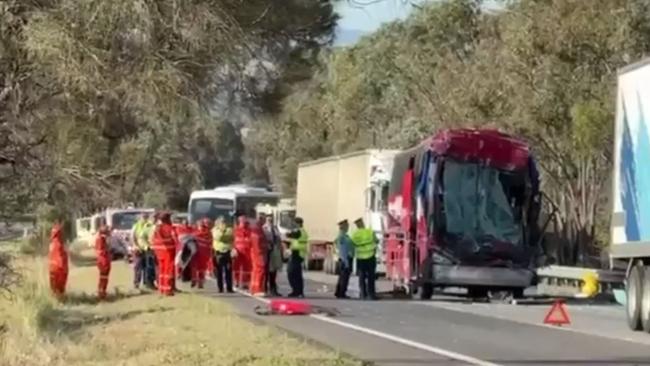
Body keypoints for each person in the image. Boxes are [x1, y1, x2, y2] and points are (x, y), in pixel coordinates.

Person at [351, 218, 379, 300]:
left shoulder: (355, 235)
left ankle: (362, 294)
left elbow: (352, 244)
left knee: (361, 277)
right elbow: (376, 241)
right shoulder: (370, 232)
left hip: (360, 258)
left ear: (357, 225)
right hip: (370, 257)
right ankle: (371, 295)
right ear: (363, 223)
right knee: (371, 277)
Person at [152, 212, 177, 296]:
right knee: (168, 270)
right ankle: (168, 290)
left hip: (159, 252)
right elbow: (175, 239)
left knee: (161, 270)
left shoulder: (157, 228)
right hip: (168, 252)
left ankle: (161, 288)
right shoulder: (169, 228)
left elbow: (153, 239)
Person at [286, 217, 308, 298]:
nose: (293, 225)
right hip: (299, 254)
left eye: (294, 223)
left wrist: (288, 233)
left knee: (291, 273)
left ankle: (296, 291)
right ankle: (299, 291)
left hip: (296, 253)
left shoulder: (298, 231)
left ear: (298, 223)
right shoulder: (303, 231)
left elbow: (289, 235)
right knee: (297, 274)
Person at [131, 212, 154, 290]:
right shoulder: (136, 226)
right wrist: (136, 246)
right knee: (138, 267)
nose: (144, 218)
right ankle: (136, 283)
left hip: (147, 249)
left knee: (148, 267)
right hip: (138, 249)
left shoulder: (149, 225)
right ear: (140, 217)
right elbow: (133, 237)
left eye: (146, 217)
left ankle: (147, 283)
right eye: (143, 217)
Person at [212, 216, 234, 293]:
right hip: (218, 252)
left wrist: (224, 233)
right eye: (221, 222)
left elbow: (230, 236)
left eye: (224, 222)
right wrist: (222, 231)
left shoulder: (229, 229)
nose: (223, 223)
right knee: (219, 271)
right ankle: (220, 288)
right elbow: (219, 237)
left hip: (228, 252)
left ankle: (229, 288)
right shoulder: (215, 230)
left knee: (228, 270)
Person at [263, 214, 283, 296]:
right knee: (266, 271)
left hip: (275, 251)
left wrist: (280, 249)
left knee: (273, 271)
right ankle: (264, 289)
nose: (270, 221)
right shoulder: (264, 228)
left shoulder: (275, 228)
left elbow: (279, 239)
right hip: (267, 251)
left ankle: (273, 290)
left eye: (271, 220)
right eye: (268, 219)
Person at [48, 220, 69, 299]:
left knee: (54, 285)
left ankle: (56, 298)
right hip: (59, 268)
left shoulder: (51, 243)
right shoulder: (59, 244)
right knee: (59, 286)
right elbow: (61, 257)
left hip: (52, 268)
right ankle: (60, 298)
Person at [334, 219, 354, 299]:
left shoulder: (345, 236)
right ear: (343, 227)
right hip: (344, 259)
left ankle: (339, 292)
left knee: (342, 277)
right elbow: (342, 250)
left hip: (344, 259)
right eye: (346, 226)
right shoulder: (342, 237)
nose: (348, 227)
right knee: (344, 277)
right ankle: (342, 293)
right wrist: (345, 261)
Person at [249, 215, 267, 297]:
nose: (265, 222)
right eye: (264, 220)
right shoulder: (257, 230)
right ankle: (258, 289)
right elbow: (256, 243)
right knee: (260, 270)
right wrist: (260, 253)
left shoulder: (258, 229)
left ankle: (254, 288)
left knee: (256, 270)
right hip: (258, 253)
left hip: (258, 252)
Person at [233, 215, 252, 289]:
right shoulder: (236, 230)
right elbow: (232, 241)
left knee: (247, 268)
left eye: (245, 222)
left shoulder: (249, 230)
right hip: (237, 251)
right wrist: (233, 249)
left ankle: (245, 283)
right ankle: (236, 281)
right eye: (242, 222)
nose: (244, 223)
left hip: (247, 251)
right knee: (236, 267)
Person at [193, 218, 213, 289]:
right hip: (196, 253)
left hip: (203, 253)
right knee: (196, 267)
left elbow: (210, 243)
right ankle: (195, 280)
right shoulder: (195, 232)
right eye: (200, 225)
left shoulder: (207, 233)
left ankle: (200, 282)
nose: (201, 227)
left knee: (201, 268)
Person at [95, 223, 112, 300]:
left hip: (102, 260)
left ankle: (101, 291)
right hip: (103, 260)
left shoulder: (100, 238)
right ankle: (102, 292)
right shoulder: (102, 239)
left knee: (103, 277)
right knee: (104, 277)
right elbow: (103, 250)